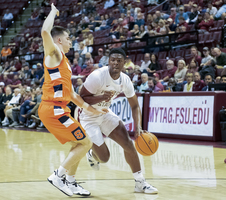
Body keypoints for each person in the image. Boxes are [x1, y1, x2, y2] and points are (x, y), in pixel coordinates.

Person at [37, 4, 106, 197]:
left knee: (79, 144)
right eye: (68, 38)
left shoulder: (65, 62)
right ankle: (58, 176)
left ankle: (71, 182)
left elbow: (73, 95)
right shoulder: (55, 53)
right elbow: (44, 31)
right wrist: (53, 12)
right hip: (53, 109)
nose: (70, 41)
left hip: (59, 109)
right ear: (58, 40)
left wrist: (92, 109)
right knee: (86, 143)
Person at [79, 48, 158, 194]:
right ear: (109, 61)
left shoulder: (125, 80)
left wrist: (138, 127)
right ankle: (92, 154)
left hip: (104, 113)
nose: (115, 63)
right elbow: (80, 98)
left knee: (128, 144)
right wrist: (102, 97)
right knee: (104, 158)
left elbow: (134, 105)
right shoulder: (97, 76)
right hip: (88, 117)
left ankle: (140, 182)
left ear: (124, 63)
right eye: (113, 60)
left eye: (119, 60)